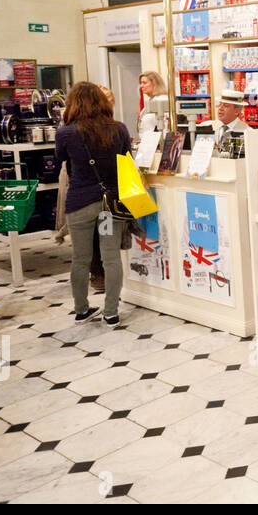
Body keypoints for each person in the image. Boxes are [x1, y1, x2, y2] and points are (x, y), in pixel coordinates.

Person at [56, 82, 132, 327]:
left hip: (79, 204)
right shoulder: (118, 129)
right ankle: (111, 312)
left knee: (80, 258)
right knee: (111, 258)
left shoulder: (66, 132)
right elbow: (126, 159)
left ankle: (81, 309)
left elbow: (62, 159)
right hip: (109, 206)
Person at [137, 70, 169, 135]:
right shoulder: (150, 100)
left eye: (144, 83)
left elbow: (166, 126)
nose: (141, 86)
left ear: (154, 83)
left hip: (158, 141)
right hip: (147, 140)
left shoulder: (162, 99)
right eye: (141, 83)